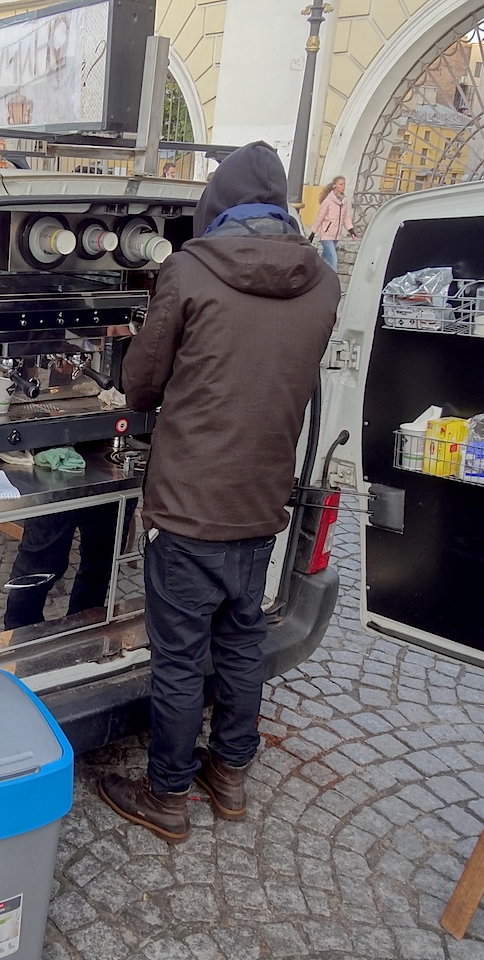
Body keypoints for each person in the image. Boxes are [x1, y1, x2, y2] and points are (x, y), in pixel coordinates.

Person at [96, 141, 339, 843]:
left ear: (219, 205)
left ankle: (167, 794)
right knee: (240, 644)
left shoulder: (189, 271)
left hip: (187, 505)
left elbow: (142, 384)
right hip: (260, 505)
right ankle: (229, 774)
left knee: (177, 659)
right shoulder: (322, 283)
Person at [312, 175, 357, 271]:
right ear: (335, 186)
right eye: (341, 184)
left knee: (322, 259)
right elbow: (320, 217)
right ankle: (333, 282)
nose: (343, 186)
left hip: (336, 236)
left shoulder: (344, 201)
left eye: (344, 184)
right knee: (333, 259)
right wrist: (313, 232)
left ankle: (314, 271)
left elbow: (346, 218)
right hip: (326, 235)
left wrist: (351, 231)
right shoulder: (328, 201)